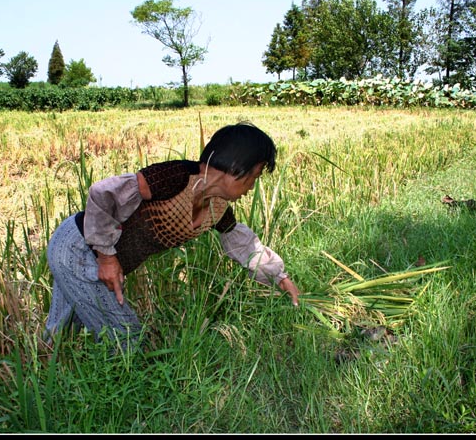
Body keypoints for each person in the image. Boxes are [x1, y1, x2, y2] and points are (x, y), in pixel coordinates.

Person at [44, 121, 301, 349]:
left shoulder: (218, 208)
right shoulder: (174, 177)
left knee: (62, 335)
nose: (252, 187)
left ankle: (41, 374)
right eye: (253, 177)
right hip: (78, 248)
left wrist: (279, 278)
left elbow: (246, 247)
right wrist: (107, 257)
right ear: (236, 167)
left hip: (84, 252)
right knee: (125, 338)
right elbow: (103, 193)